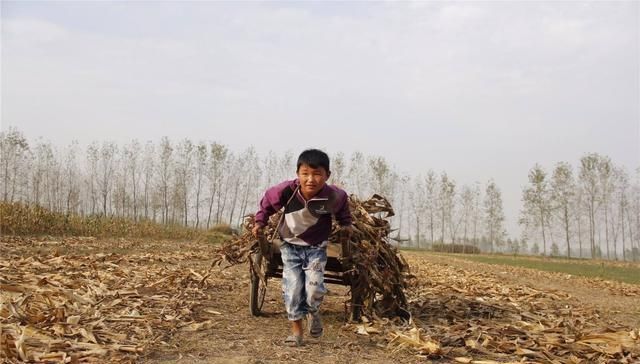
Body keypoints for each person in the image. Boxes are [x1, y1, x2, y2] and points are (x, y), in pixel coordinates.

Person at [252, 149, 353, 347]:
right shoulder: (286, 191)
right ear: (298, 174)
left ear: (327, 176)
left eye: (317, 174)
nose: (311, 179)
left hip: (316, 247)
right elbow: (266, 205)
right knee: (292, 289)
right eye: (305, 173)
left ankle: (313, 311)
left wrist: (345, 225)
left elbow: (343, 211)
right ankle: (296, 332)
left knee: (314, 288)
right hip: (290, 248)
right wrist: (260, 222)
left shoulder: (333, 196)